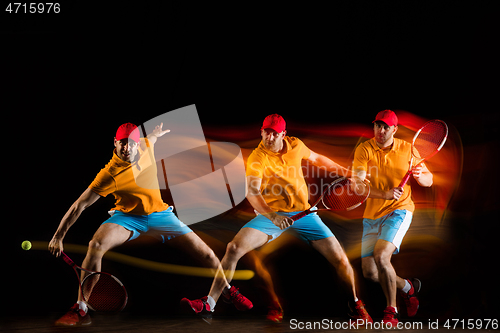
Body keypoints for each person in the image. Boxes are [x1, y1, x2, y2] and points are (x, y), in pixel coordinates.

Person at [181, 114, 372, 323]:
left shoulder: (296, 146)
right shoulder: (257, 157)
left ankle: (355, 305)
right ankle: (209, 304)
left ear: (283, 134)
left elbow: (317, 158)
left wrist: (347, 172)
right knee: (233, 248)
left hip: (305, 215)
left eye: (274, 133)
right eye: (266, 132)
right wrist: (272, 216)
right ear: (261, 132)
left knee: (341, 260)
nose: (269, 137)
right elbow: (252, 191)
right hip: (273, 216)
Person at [48, 122, 237, 326]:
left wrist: (155, 134)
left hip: (161, 215)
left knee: (208, 254)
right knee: (95, 245)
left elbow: (152, 139)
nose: (127, 148)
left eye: (131, 143)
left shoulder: (146, 145)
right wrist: (59, 236)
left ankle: (221, 295)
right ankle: (81, 308)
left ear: (138, 144)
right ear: (115, 142)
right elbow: (79, 205)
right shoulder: (109, 174)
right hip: (128, 218)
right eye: (122, 143)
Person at [352, 110, 432, 326]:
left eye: (386, 127)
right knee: (369, 272)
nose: (381, 130)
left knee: (381, 256)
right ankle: (408, 288)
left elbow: (429, 180)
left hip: (399, 210)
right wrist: (383, 194)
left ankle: (392, 311)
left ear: (394, 129)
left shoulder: (408, 149)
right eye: (378, 125)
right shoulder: (364, 149)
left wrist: (421, 176)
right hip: (372, 214)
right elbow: (357, 185)